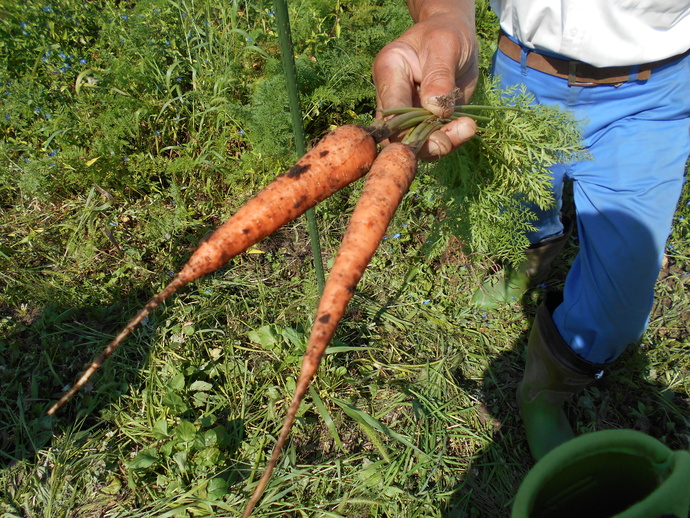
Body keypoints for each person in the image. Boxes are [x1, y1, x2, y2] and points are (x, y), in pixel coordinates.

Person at [372, 0, 690, 460]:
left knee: (624, 296)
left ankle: (543, 395)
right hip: (523, 74)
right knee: (520, 203)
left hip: (649, 96)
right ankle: (533, 260)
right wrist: (443, 14)